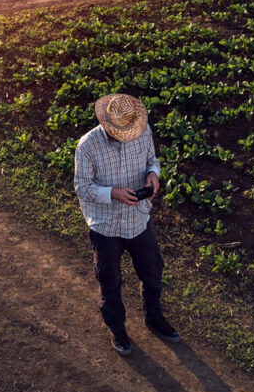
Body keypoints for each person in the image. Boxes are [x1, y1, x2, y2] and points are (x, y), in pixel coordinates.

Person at [74, 93, 181, 356]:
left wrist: (153, 175)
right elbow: (82, 188)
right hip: (105, 225)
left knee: (153, 271)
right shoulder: (87, 146)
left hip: (138, 220)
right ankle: (117, 328)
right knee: (109, 280)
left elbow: (151, 160)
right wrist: (112, 193)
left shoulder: (143, 132)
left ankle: (154, 318)